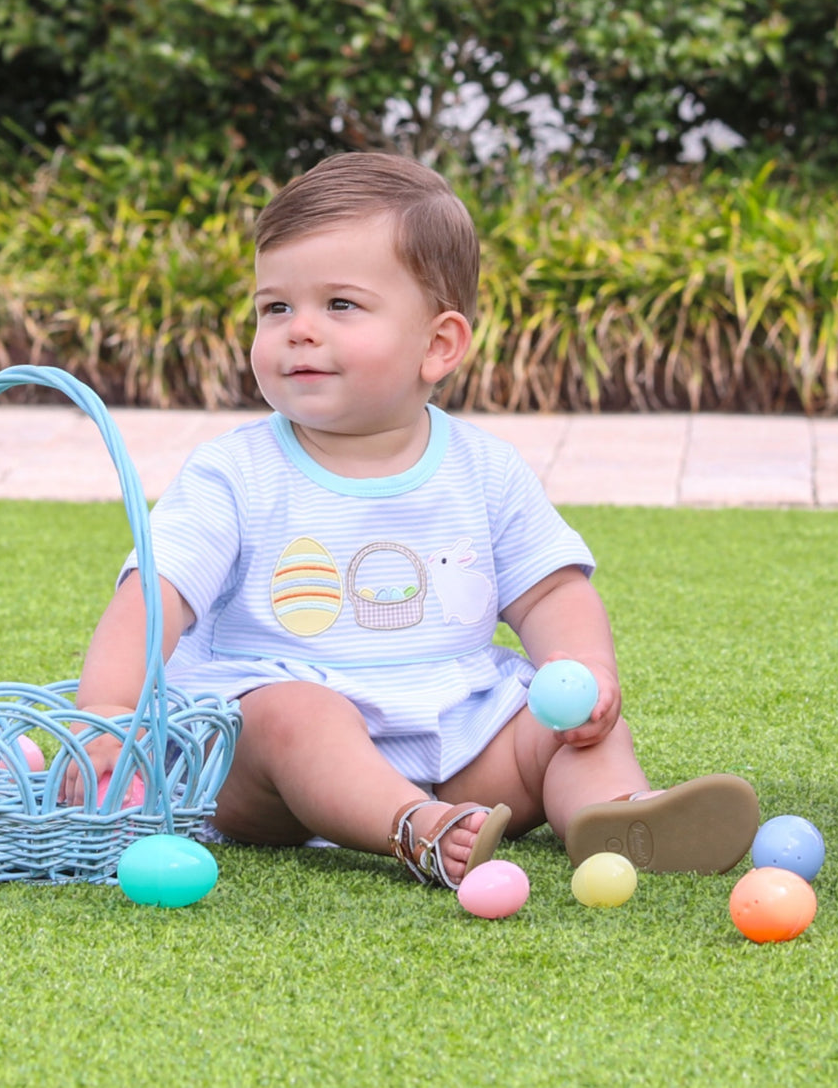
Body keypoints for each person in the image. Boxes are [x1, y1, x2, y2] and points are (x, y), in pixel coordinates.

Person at [65, 152, 759, 888]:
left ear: (438, 345)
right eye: (275, 308)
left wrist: (586, 671)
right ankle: (411, 826)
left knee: (564, 721)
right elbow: (156, 592)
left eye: (339, 305)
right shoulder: (234, 473)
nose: (298, 330)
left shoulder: (483, 468)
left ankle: (616, 815)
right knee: (294, 716)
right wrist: (107, 710)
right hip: (268, 773)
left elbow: (551, 592)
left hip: (458, 742)